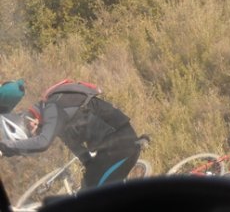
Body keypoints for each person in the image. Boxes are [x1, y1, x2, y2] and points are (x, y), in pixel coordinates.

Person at [0, 79, 142, 189]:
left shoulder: (54, 106)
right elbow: (73, 144)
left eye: (32, 134)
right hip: (110, 150)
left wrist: (5, 147)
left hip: (121, 146)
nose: (36, 134)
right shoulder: (57, 117)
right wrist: (88, 163)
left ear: (31, 122)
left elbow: (42, 143)